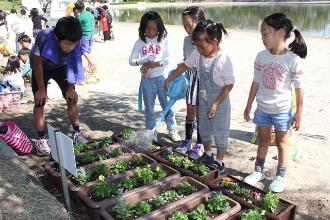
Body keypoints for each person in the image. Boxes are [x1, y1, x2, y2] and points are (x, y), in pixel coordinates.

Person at [243, 13, 307, 192]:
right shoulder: (261, 56)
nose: (262, 38)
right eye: (261, 35)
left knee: (282, 143)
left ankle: (281, 175)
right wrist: (249, 105)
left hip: (282, 110)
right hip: (262, 108)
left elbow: (299, 88)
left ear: (280, 33)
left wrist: (299, 112)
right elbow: (255, 82)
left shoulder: (292, 59)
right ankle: (258, 170)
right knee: (263, 141)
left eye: (265, 34)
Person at [165, 19, 235, 173]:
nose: (199, 49)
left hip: (220, 103)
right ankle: (208, 154)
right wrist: (170, 78)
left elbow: (229, 84)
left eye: (202, 46)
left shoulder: (223, 59)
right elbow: (185, 65)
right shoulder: (198, 54)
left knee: (219, 131)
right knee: (204, 128)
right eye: (196, 46)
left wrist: (216, 104)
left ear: (215, 42)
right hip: (203, 101)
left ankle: (220, 160)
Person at [30, 16, 88, 156]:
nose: (71, 47)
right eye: (67, 44)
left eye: (74, 44)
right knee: (40, 101)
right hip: (43, 67)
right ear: (56, 38)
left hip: (63, 67)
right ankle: (41, 139)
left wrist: (70, 88)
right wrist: (42, 89)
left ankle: (76, 132)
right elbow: (37, 63)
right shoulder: (43, 37)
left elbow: (74, 63)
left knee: (72, 98)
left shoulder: (74, 39)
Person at [129, 11, 181, 142]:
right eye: (147, 29)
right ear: (142, 28)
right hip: (147, 81)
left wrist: (157, 64)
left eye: (154, 29)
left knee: (167, 105)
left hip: (162, 79)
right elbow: (131, 60)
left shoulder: (163, 40)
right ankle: (151, 130)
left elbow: (169, 59)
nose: (151, 32)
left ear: (159, 28)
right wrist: (142, 62)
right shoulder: (139, 42)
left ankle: (172, 128)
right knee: (149, 108)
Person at [175, 6, 206, 154]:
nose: (187, 29)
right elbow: (186, 59)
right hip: (190, 78)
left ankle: (200, 143)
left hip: (203, 80)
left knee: (200, 111)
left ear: (200, 22)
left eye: (190, 25)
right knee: (190, 109)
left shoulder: (207, 39)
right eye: (184, 26)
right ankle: (188, 140)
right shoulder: (186, 40)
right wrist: (182, 65)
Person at [74, 1, 96, 71]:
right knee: (88, 51)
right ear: (84, 6)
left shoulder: (80, 17)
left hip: (85, 35)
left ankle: (92, 64)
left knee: (84, 51)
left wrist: (76, 15)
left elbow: (77, 28)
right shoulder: (89, 14)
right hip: (91, 34)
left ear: (77, 9)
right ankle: (90, 66)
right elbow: (93, 23)